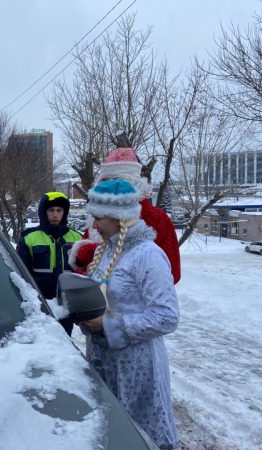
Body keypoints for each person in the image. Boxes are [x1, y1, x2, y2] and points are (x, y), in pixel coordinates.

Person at [79, 178, 180, 449]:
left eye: (100, 218)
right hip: (105, 362)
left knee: (141, 436)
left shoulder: (148, 255)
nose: (95, 225)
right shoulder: (108, 250)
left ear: (119, 216)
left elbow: (166, 316)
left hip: (139, 368)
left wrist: (109, 326)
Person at [69, 147, 181, 285]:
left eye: (115, 183)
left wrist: (94, 252)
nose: (109, 189)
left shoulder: (156, 218)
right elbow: (83, 268)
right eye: (105, 183)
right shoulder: (97, 218)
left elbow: (171, 274)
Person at [16, 191, 82, 335]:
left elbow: (83, 274)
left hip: (66, 307)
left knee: (64, 346)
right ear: (43, 212)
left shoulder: (77, 237)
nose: (55, 215)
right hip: (40, 307)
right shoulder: (29, 238)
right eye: (51, 210)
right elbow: (20, 275)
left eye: (59, 210)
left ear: (64, 212)